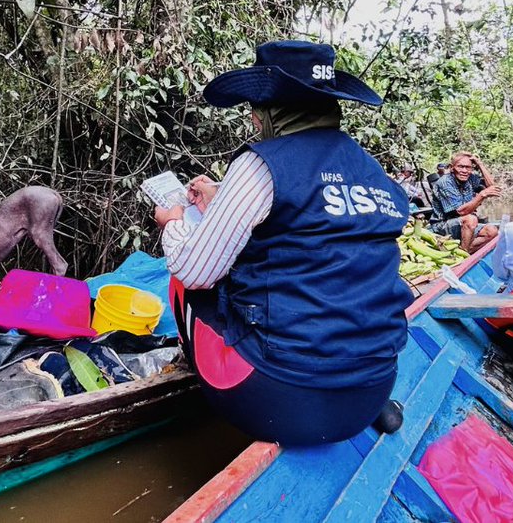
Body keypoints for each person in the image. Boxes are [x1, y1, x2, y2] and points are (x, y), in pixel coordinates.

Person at [153, 40, 412, 446]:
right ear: (330, 105)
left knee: (183, 281)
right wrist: (221, 198)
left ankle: (206, 385)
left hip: (285, 403)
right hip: (374, 390)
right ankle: (357, 391)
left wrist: (174, 222)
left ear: (267, 113)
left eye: (256, 110)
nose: (255, 120)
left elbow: (195, 270)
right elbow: (317, 219)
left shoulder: (261, 161)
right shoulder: (372, 170)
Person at [432, 151, 500, 252]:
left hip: (465, 224)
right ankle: (463, 254)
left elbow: (492, 187)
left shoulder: (470, 178)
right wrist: (482, 195)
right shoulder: (445, 182)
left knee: (492, 231)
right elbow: (461, 212)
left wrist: (479, 164)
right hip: (442, 225)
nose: (464, 171)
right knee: (471, 219)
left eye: (468, 167)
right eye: (460, 167)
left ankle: (463, 251)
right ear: (452, 168)